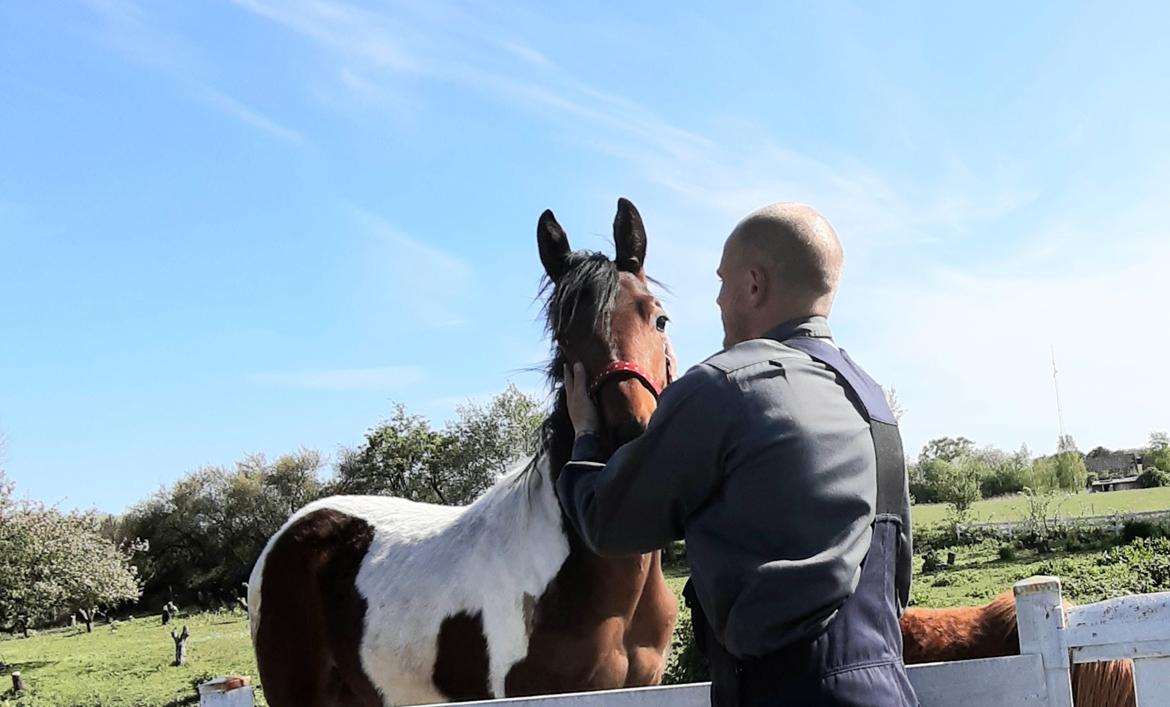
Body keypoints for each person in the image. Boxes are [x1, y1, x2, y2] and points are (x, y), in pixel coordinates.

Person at [556, 203, 917, 706]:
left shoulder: (724, 384)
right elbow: (897, 575)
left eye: (722, 281)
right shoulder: (872, 399)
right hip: (886, 688)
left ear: (754, 284)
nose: (718, 299)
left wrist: (587, 437)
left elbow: (607, 520)